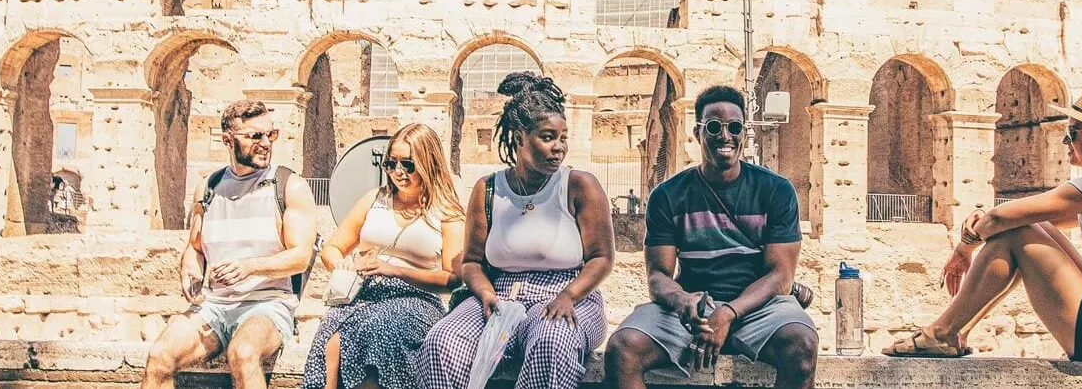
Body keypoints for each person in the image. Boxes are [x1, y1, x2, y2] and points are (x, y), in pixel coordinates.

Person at [882, 87, 1082, 362]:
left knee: (1018, 231)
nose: (1065, 141)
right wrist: (987, 218)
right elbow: (1026, 219)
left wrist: (963, 249)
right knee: (1026, 227)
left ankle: (944, 331)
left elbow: (1002, 219)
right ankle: (958, 330)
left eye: (1073, 133)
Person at [605, 86, 818, 389]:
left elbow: (781, 277)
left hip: (758, 306)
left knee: (802, 345)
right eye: (714, 127)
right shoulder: (668, 195)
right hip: (694, 307)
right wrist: (681, 301)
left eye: (734, 127)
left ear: (744, 131)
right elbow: (658, 276)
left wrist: (728, 313)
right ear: (697, 132)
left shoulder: (777, 190)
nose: (725, 136)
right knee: (622, 348)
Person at [413, 72, 616, 389]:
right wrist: (484, 293)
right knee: (443, 341)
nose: (558, 147)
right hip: (500, 295)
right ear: (520, 137)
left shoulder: (579, 185)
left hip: (569, 295)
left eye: (563, 138)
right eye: (547, 137)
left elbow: (602, 257)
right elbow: (471, 262)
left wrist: (568, 296)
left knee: (552, 340)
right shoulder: (489, 189)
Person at [143, 100, 320, 389]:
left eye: (270, 135)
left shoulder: (289, 185)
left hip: (268, 304)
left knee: (243, 353)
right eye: (255, 136)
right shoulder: (209, 186)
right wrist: (190, 271)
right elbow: (195, 248)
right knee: (159, 356)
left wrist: (249, 267)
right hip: (214, 306)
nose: (265, 143)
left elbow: (300, 256)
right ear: (227, 140)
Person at [303, 124, 467, 389]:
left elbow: (453, 279)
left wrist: (396, 270)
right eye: (391, 164)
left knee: (380, 327)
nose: (398, 172)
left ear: (428, 163)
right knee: (331, 335)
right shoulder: (374, 199)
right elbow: (331, 249)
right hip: (363, 294)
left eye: (408, 165)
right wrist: (343, 265)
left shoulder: (448, 213)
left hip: (414, 298)